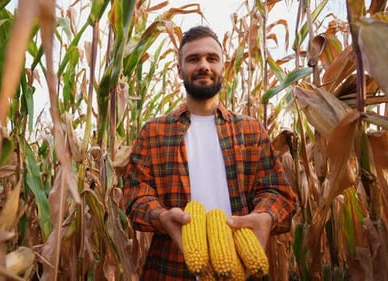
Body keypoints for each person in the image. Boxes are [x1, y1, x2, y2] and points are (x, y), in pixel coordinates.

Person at [123, 25, 297, 280]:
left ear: (222, 68)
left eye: (211, 58)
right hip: (170, 269)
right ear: (179, 70)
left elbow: (277, 191)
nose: (203, 65)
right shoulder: (154, 132)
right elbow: (135, 195)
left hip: (240, 266)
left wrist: (265, 217)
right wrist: (161, 218)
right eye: (193, 59)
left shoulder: (250, 130)